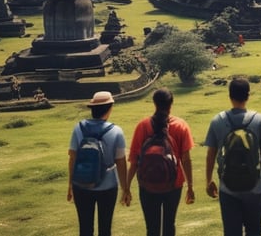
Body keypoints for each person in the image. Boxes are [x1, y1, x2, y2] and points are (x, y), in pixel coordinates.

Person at [204, 77, 261, 236]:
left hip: (227, 186)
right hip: (256, 185)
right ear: (248, 96)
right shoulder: (260, 120)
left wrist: (208, 180)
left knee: (231, 231)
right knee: (255, 230)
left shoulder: (217, 121)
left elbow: (211, 154)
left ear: (230, 96)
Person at [127, 88, 195, 236]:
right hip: (173, 184)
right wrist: (190, 186)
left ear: (154, 103)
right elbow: (186, 160)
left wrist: (126, 188)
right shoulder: (180, 125)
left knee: (151, 228)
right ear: (171, 104)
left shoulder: (143, 126)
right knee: (169, 225)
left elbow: (134, 161)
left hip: (147, 185)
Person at [67, 91, 130, 236]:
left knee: (85, 229)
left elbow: (72, 158)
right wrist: (125, 188)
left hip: (81, 185)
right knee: (105, 229)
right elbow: (121, 162)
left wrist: (70, 185)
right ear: (109, 109)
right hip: (107, 187)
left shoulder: (78, 128)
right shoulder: (116, 131)